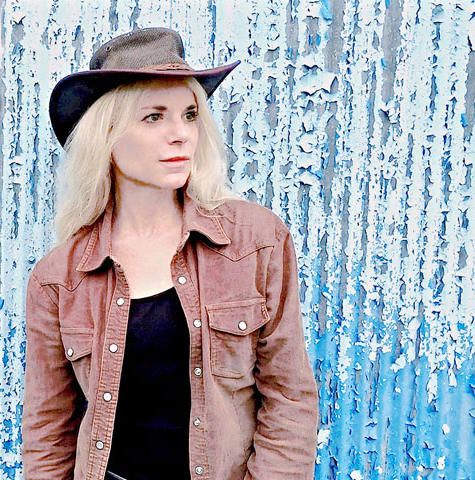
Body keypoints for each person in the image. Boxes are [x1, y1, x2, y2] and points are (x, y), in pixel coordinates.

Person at [21, 27, 318, 480]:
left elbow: (289, 398)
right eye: (153, 117)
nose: (180, 134)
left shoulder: (256, 242)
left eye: (189, 114)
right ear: (107, 136)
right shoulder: (59, 279)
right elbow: (48, 432)